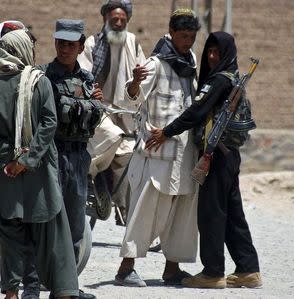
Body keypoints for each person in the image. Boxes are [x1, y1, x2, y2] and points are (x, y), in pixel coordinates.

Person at [145, 31, 262, 289]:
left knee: (211, 213)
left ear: (227, 54)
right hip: (230, 156)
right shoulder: (231, 78)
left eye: (216, 53)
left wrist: (166, 132)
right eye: (208, 51)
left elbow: (196, 112)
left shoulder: (219, 81)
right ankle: (248, 269)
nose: (211, 57)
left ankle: (213, 272)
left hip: (216, 156)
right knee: (233, 214)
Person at [0, 29, 79, 299]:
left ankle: (12, 292)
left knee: (11, 240)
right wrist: (28, 159)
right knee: (52, 241)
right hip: (39, 178)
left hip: (7, 177)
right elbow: (48, 123)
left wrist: (6, 156)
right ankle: (63, 292)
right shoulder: (38, 82)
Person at [114, 8, 201, 287]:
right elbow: (131, 98)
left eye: (192, 36)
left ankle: (171, 269)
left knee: (178, 213)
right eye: (183, 36)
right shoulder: (156, 63)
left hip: (184, 155)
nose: (188, 41)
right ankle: (126, 269)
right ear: (172, 33)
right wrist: (135, 83)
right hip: (156, 155)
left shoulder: (191, 62)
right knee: (146, 210)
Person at [37, 19, 103, 299]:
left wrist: (93, 103)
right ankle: (39, 282)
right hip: (52, 154)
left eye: (70, 44)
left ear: (80, 45)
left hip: (78, 157)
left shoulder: (88, 79)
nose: (64, 48)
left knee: (75, 222)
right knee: (48, 221)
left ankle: (68, 288)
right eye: (60, 43)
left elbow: (97, 115)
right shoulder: (42, 76)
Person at [78, 0, 146, 223]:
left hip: (125, 113)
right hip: (98, 111)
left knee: (128, 158)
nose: (118, 23)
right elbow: (82, 75)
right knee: (112, 136)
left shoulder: (133, 43)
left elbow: (143, 77)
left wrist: (138, 83)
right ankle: (91, 176)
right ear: (105, 19)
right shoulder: (92, 44)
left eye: (122, 20)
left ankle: (122, 210)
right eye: (113, 19)